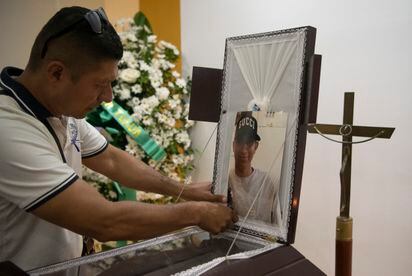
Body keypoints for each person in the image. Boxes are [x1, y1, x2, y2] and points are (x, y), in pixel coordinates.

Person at [0, 6, 237, 271]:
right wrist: (196, 213)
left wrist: (184, 191)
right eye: (100, 84)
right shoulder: (7, 128)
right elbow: (103, 221)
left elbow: (111, 159)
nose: (108, 97)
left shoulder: (63, 111)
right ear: (57, 73)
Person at [228, 113, 279, 224]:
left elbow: (277, 225)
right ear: (233, 145)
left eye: (249, 143)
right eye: (240, 142)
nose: (244, 149)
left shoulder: (268, 182)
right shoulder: (226, 181)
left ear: (255, 146)